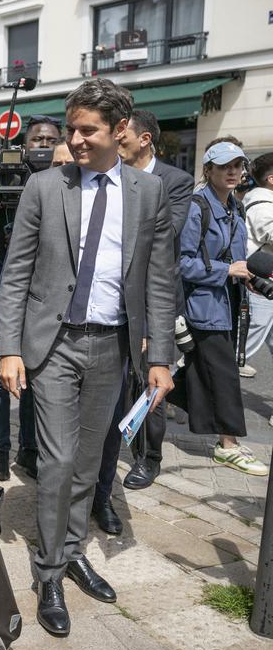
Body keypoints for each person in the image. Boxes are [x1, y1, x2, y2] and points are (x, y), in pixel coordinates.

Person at [0, 79, 176, 637]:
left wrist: (160, 356)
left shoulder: (148, 195)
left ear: (120, 130)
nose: (75, 139)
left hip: (113, 346)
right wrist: (8, 348)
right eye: (71, 128)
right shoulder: (45, 188)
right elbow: (16, 274)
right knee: (53, 462)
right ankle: (49, 571)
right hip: (52, 346)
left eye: (87, 130)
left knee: (90, 460)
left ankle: (72, 550)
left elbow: (160, 281)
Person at [94, 110, 195, 524]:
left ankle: (149, 457)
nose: (117, 145)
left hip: (154, 302)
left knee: (152, 383)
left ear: (146, 139)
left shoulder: (173, 182)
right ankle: (108, 471)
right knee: (117, 392)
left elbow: (165, 237)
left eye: (124, 138)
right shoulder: (109, 177)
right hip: (110, 304)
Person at [0, 117, 58, 481]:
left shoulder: (65, 181)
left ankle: (31, 451)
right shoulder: (3, 175)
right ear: (23, 143)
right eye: (38, 139)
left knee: (35, 374)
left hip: (43, 291)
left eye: (52, 139)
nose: (44, 146)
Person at [171, 142, 269, 477]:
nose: (232, 171)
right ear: (208, 170)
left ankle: (159, 396)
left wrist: (249, 278)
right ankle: (228, 445)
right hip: (203, 307)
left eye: (237, 166)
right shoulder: (197, 207)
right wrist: (225, 272)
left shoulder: (235, 208)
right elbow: (182, 264)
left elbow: (235, 259)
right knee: (225, 375)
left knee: (196, 372)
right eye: (224, 165)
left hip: (229, 304)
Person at [242, 153, 273, 429]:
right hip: (262, 288)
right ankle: (175, 386)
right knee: (236, 351)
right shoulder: (263, 205)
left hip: (267, 287)